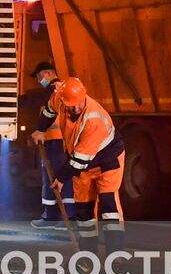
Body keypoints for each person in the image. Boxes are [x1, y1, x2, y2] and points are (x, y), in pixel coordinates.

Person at [35, 76, 125, 253]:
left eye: (78, 103)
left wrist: (60, 179)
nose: (75, 108)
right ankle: (87, 254)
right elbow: (48, 111)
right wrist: (40, 129)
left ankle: (116, 256)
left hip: (107, 161)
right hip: (82, 163)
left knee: (109, 207)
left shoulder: (93, 119)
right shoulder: (60, 99)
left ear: (85, 95)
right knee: (83, 210)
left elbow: (78, 161)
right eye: (71, 105)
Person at [25, 61, 71, 231]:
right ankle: (52, 216)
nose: (39, 80)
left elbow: (41, 102)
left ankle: (65, 217)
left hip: (58, 141)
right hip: (51, 141)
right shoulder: (51, 91)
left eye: (39, 76)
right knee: (51, 178)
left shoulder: (56, 89)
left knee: (60, 177)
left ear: (49, 73)